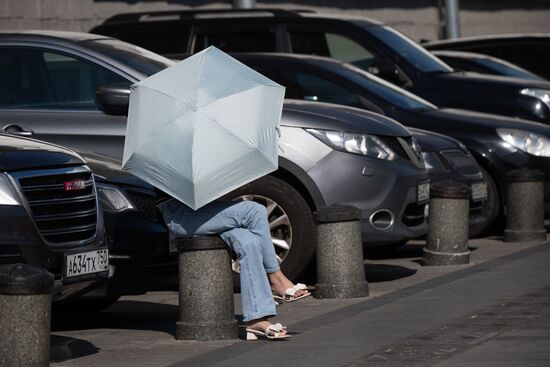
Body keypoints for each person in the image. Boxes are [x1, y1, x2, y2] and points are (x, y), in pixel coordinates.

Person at [158, 198, 310, 340]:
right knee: (255, 210)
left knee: (249, 242)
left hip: (201, 208)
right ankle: (275, 278)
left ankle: (256, 318)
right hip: (179, 214)